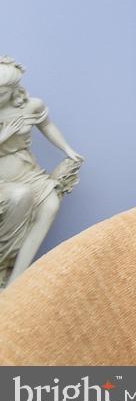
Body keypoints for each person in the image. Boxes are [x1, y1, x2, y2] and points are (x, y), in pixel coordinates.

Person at [0, 58, 83, 287]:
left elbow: (46, 125)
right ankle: (4, 267)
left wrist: (68, 150)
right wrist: (5, 136)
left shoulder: (31, 105)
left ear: (12, 90)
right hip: (3, 178)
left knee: (50, 206)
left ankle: (17, 278)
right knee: (20, 197)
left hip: (27, 170)